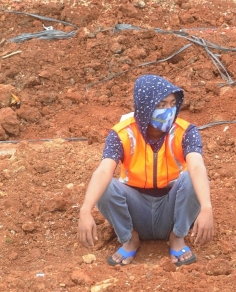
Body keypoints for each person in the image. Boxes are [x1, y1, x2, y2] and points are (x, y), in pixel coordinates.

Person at [77, 74, 214, 266]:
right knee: (105, 185)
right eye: (161, 105)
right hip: (135, 208)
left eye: (172, 104)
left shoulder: (185, 131)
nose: (169, 111)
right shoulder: (122, 133)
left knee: (192, 178)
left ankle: (177, 237)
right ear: (145, 106)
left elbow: (197, 165)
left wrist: (206, 207)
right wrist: (85, 209)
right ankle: (130, 238)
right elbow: (103, 171)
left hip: (172, 208)